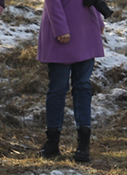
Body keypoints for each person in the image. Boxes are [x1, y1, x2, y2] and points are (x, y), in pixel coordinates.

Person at [37, 0, 103, 162]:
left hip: (86, 29)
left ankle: (83, 144)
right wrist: (60, 28)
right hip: (61, 32)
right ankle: (52, 141)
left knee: (82, 86)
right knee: (57, 89)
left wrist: (99, 19)